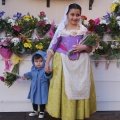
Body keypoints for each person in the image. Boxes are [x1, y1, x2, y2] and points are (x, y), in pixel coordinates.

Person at [45, 3, 96, 120]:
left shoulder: (84, 30)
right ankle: (66, 114)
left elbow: (90, 49)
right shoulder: (61, 30)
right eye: (72, 14)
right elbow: (52, 48)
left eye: (77, 15)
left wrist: (83, 47)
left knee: (80, 86)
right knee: (65, 88)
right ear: (67, 15)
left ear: (80, 16)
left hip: (81, 64)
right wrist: (47, 63)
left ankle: (78, 115)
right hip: (63, 63)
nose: (75, 17)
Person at [23, 50, 51, 119]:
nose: (39, 63)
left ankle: (42, 111)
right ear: (34, 62)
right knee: (34, 98)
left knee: (42, 99)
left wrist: (48, 73)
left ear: (44, 61)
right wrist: (25, 75)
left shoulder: (45, 69)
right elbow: (31, 74)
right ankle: (35, 110)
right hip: (34, 87)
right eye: (36, 61)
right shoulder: (33, 69)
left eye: (41, 61)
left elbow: (47, 76)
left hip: (42, 88)